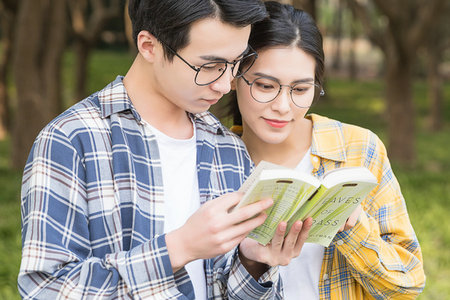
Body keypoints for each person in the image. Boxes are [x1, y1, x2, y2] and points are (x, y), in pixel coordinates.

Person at [18, 1, 313, 299]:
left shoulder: (228, 147)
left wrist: (251, 261)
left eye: (236, 63)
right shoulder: (73, 139)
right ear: (149, 46)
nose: (225, 84)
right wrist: (179, 247)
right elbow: (45, 288)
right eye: (210, 66)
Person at [228, 1, 426, 299]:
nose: (283, 107)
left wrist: (353, 227)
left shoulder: (359, 150)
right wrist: (252, 261)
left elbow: (407, 285)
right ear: (233, 76)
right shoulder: (212, 157)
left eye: (300, 89)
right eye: (266, 86)